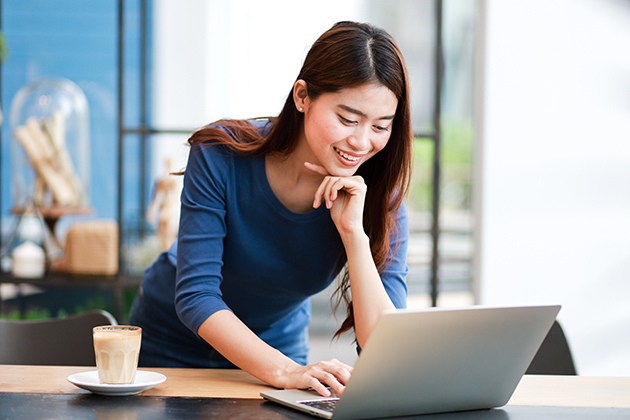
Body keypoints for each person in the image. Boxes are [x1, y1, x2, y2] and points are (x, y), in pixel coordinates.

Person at [129, 21, 413, 398]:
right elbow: (196, 295)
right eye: (347, 119)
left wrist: (353, 235)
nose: (361, 142)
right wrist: (286, 371)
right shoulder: (221, 155)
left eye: (381, 126)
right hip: (171, 344)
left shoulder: (379, 197)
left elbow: (383, 346)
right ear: (302, 96)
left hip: (277, 348)